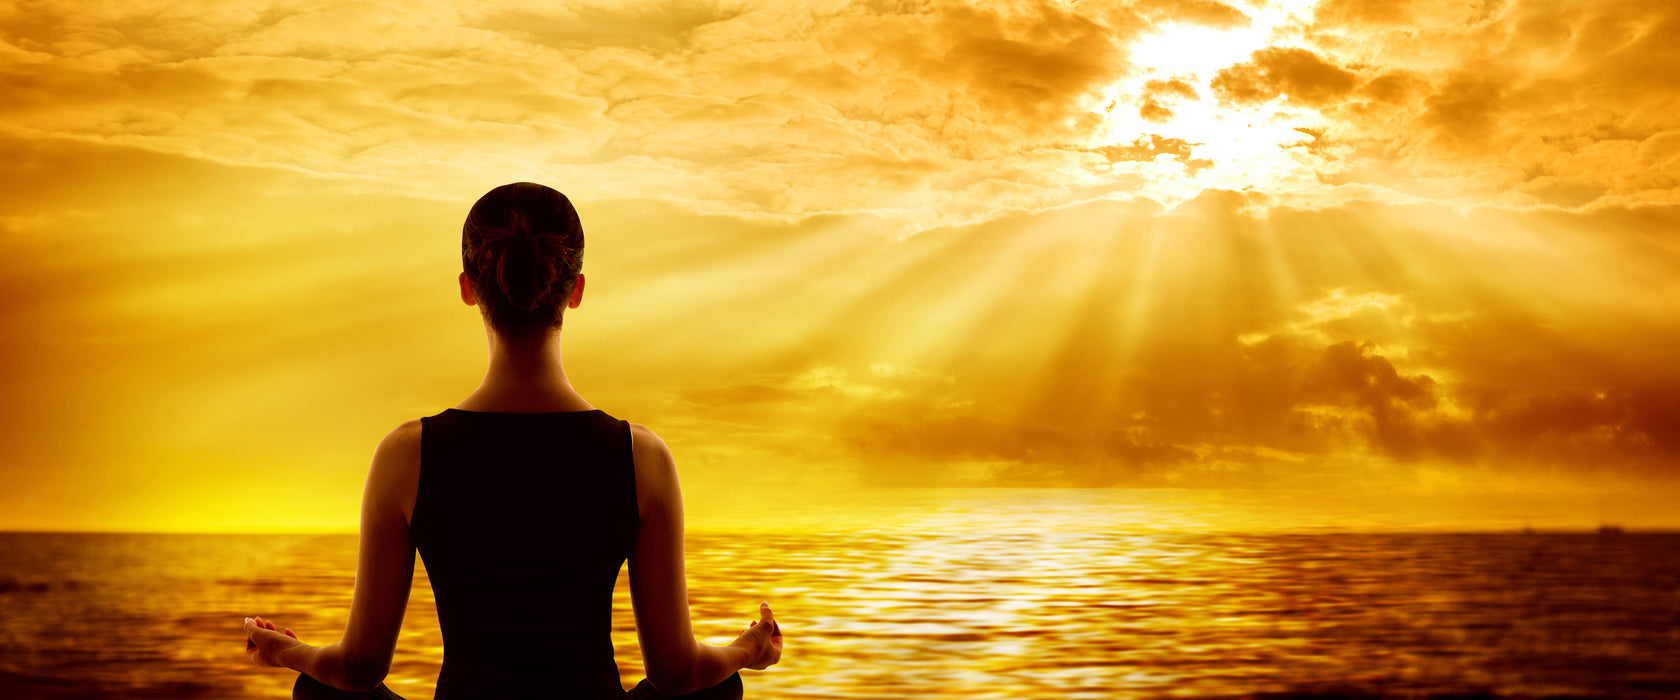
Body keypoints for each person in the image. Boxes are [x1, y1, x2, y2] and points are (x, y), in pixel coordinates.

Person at [243, 182, 783, 699]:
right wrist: (747, 648)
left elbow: (358, 669)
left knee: (321, 686)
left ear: (467, 287)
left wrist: (285, 653)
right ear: (575, 291)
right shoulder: (641, 455)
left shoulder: (407, 452)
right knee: (718, 686)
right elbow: (678, 672)